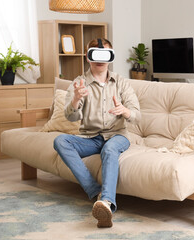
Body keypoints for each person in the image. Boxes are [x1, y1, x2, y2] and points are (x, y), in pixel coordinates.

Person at [53, 38, 141, 228]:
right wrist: (76, 99)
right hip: (89, 138)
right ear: (88, 56)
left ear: (110, 57)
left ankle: (107, 204)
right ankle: (96, 194)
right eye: (96, 54)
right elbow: (70, 117)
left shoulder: (121, 83)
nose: (100, 60)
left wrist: (124, 111)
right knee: (60, 141)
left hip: (117, 136)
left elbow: (137, 114)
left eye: (105, 55)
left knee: (109, 150)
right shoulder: (79, 83)